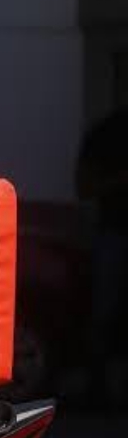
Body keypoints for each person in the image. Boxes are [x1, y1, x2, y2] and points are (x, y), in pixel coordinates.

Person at [76, 109, 128, 404]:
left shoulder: (103, 131)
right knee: (104, 310)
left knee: (106, 310)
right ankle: (98, 384)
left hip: (113, 232)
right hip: (115, 232)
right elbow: (84, 187)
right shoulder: (105, 133)